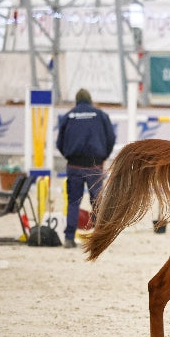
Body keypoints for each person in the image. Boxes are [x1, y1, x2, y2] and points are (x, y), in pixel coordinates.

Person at [56, 88, 116, 248]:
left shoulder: (69, 116)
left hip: (74, 165)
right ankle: (99, 238)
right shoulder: (100, 115)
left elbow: (59, 143)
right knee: (97, 201)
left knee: (73, 202)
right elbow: (111, 138)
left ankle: (69, 238)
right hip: (94, 164)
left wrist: (70, 157)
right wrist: (103, 157)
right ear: (90, 100)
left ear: (76, 101)